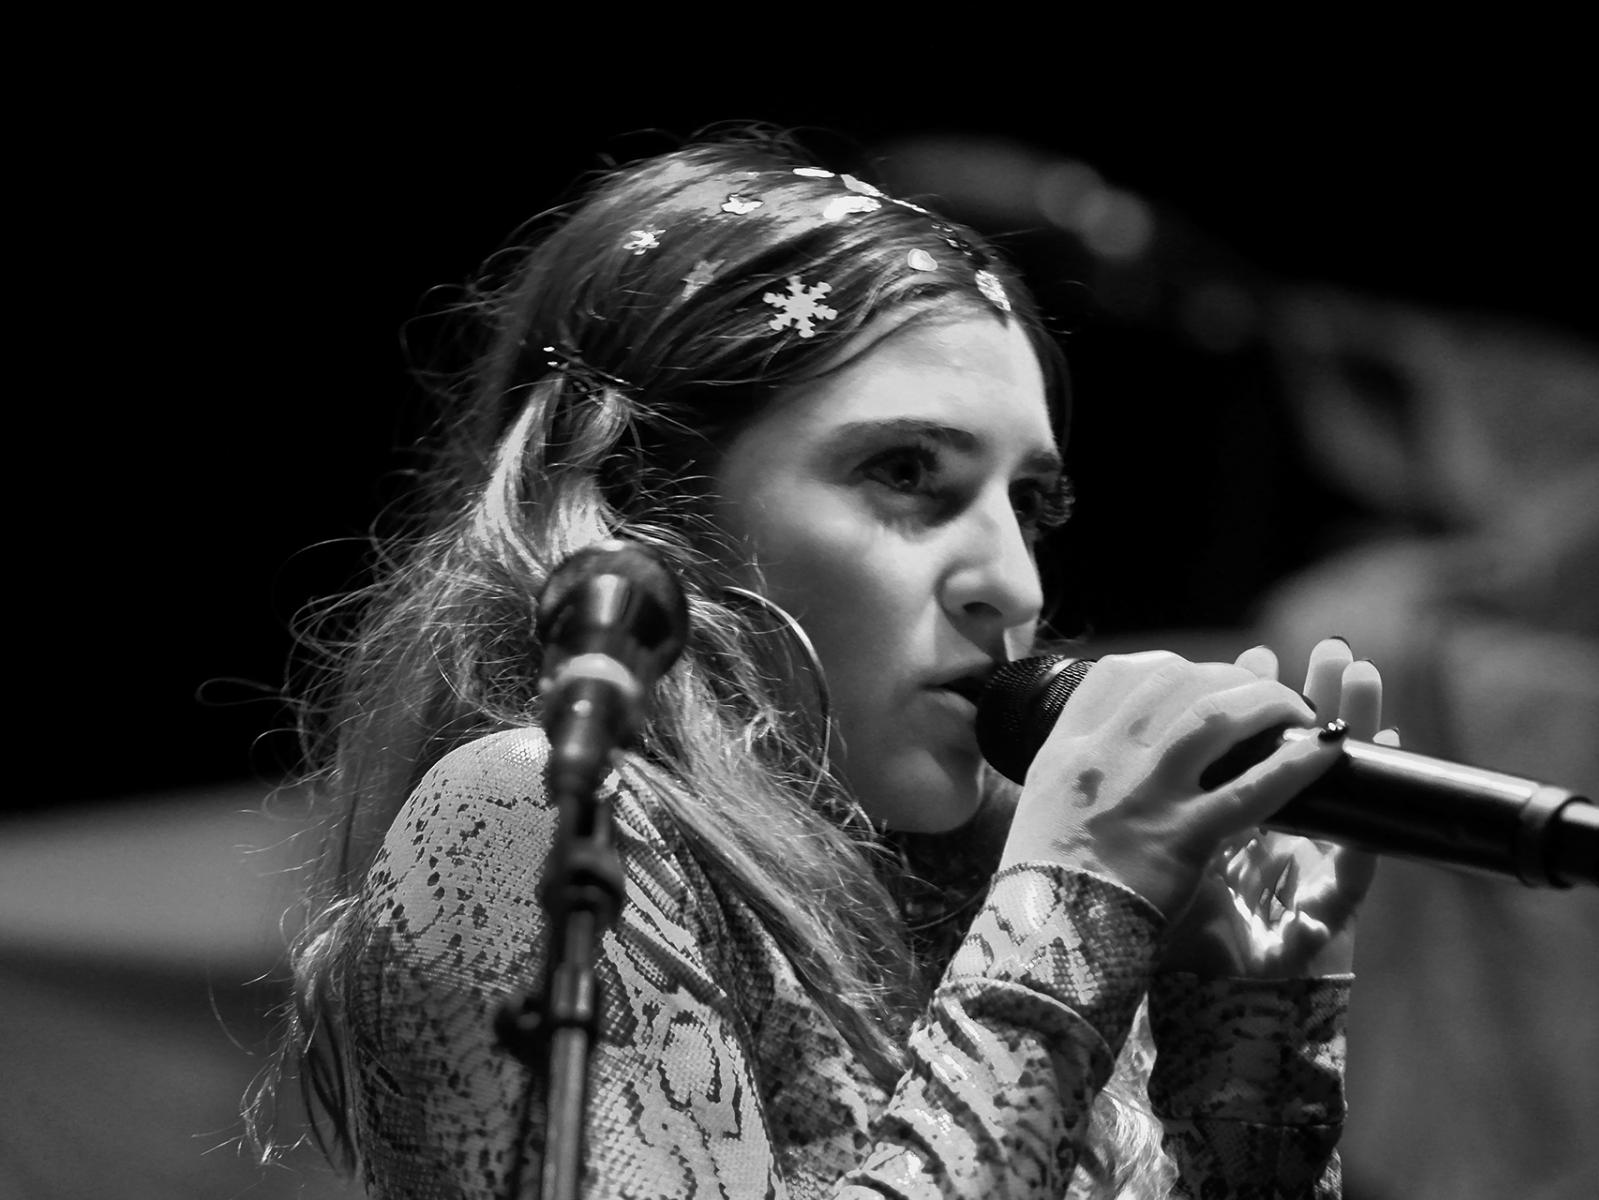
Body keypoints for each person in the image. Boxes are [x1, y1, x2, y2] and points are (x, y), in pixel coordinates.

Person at [251, 126, 1395, 1200]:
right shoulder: (529, 812)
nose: (1016, 586)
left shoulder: (997, 894)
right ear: (658, 509)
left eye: (1032, 504)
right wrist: (1071, 910)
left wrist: (1246, 1034)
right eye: (906, 472)